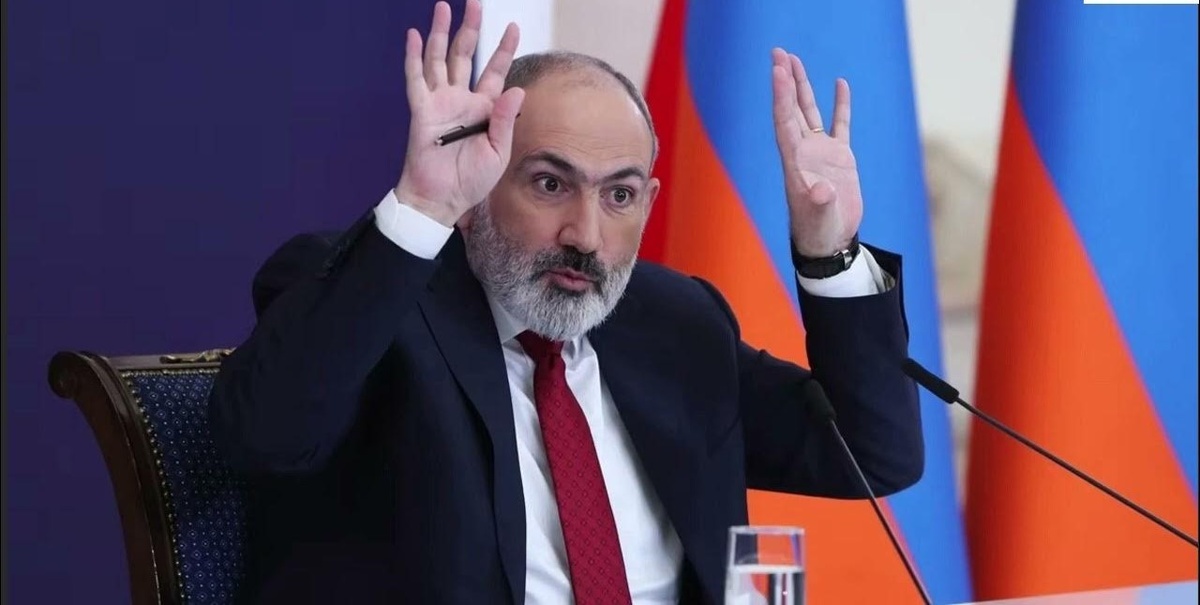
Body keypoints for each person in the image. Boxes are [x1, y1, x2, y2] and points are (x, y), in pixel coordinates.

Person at [208, 1, 924, 603]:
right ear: (479, 183)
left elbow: (871, 455)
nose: (586, 235)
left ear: (649, 202)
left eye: (619, 195)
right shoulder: (378, 305)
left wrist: (829, 254)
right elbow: (263, 434)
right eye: (550, 185)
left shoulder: (677, 322)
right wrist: (422, 205)